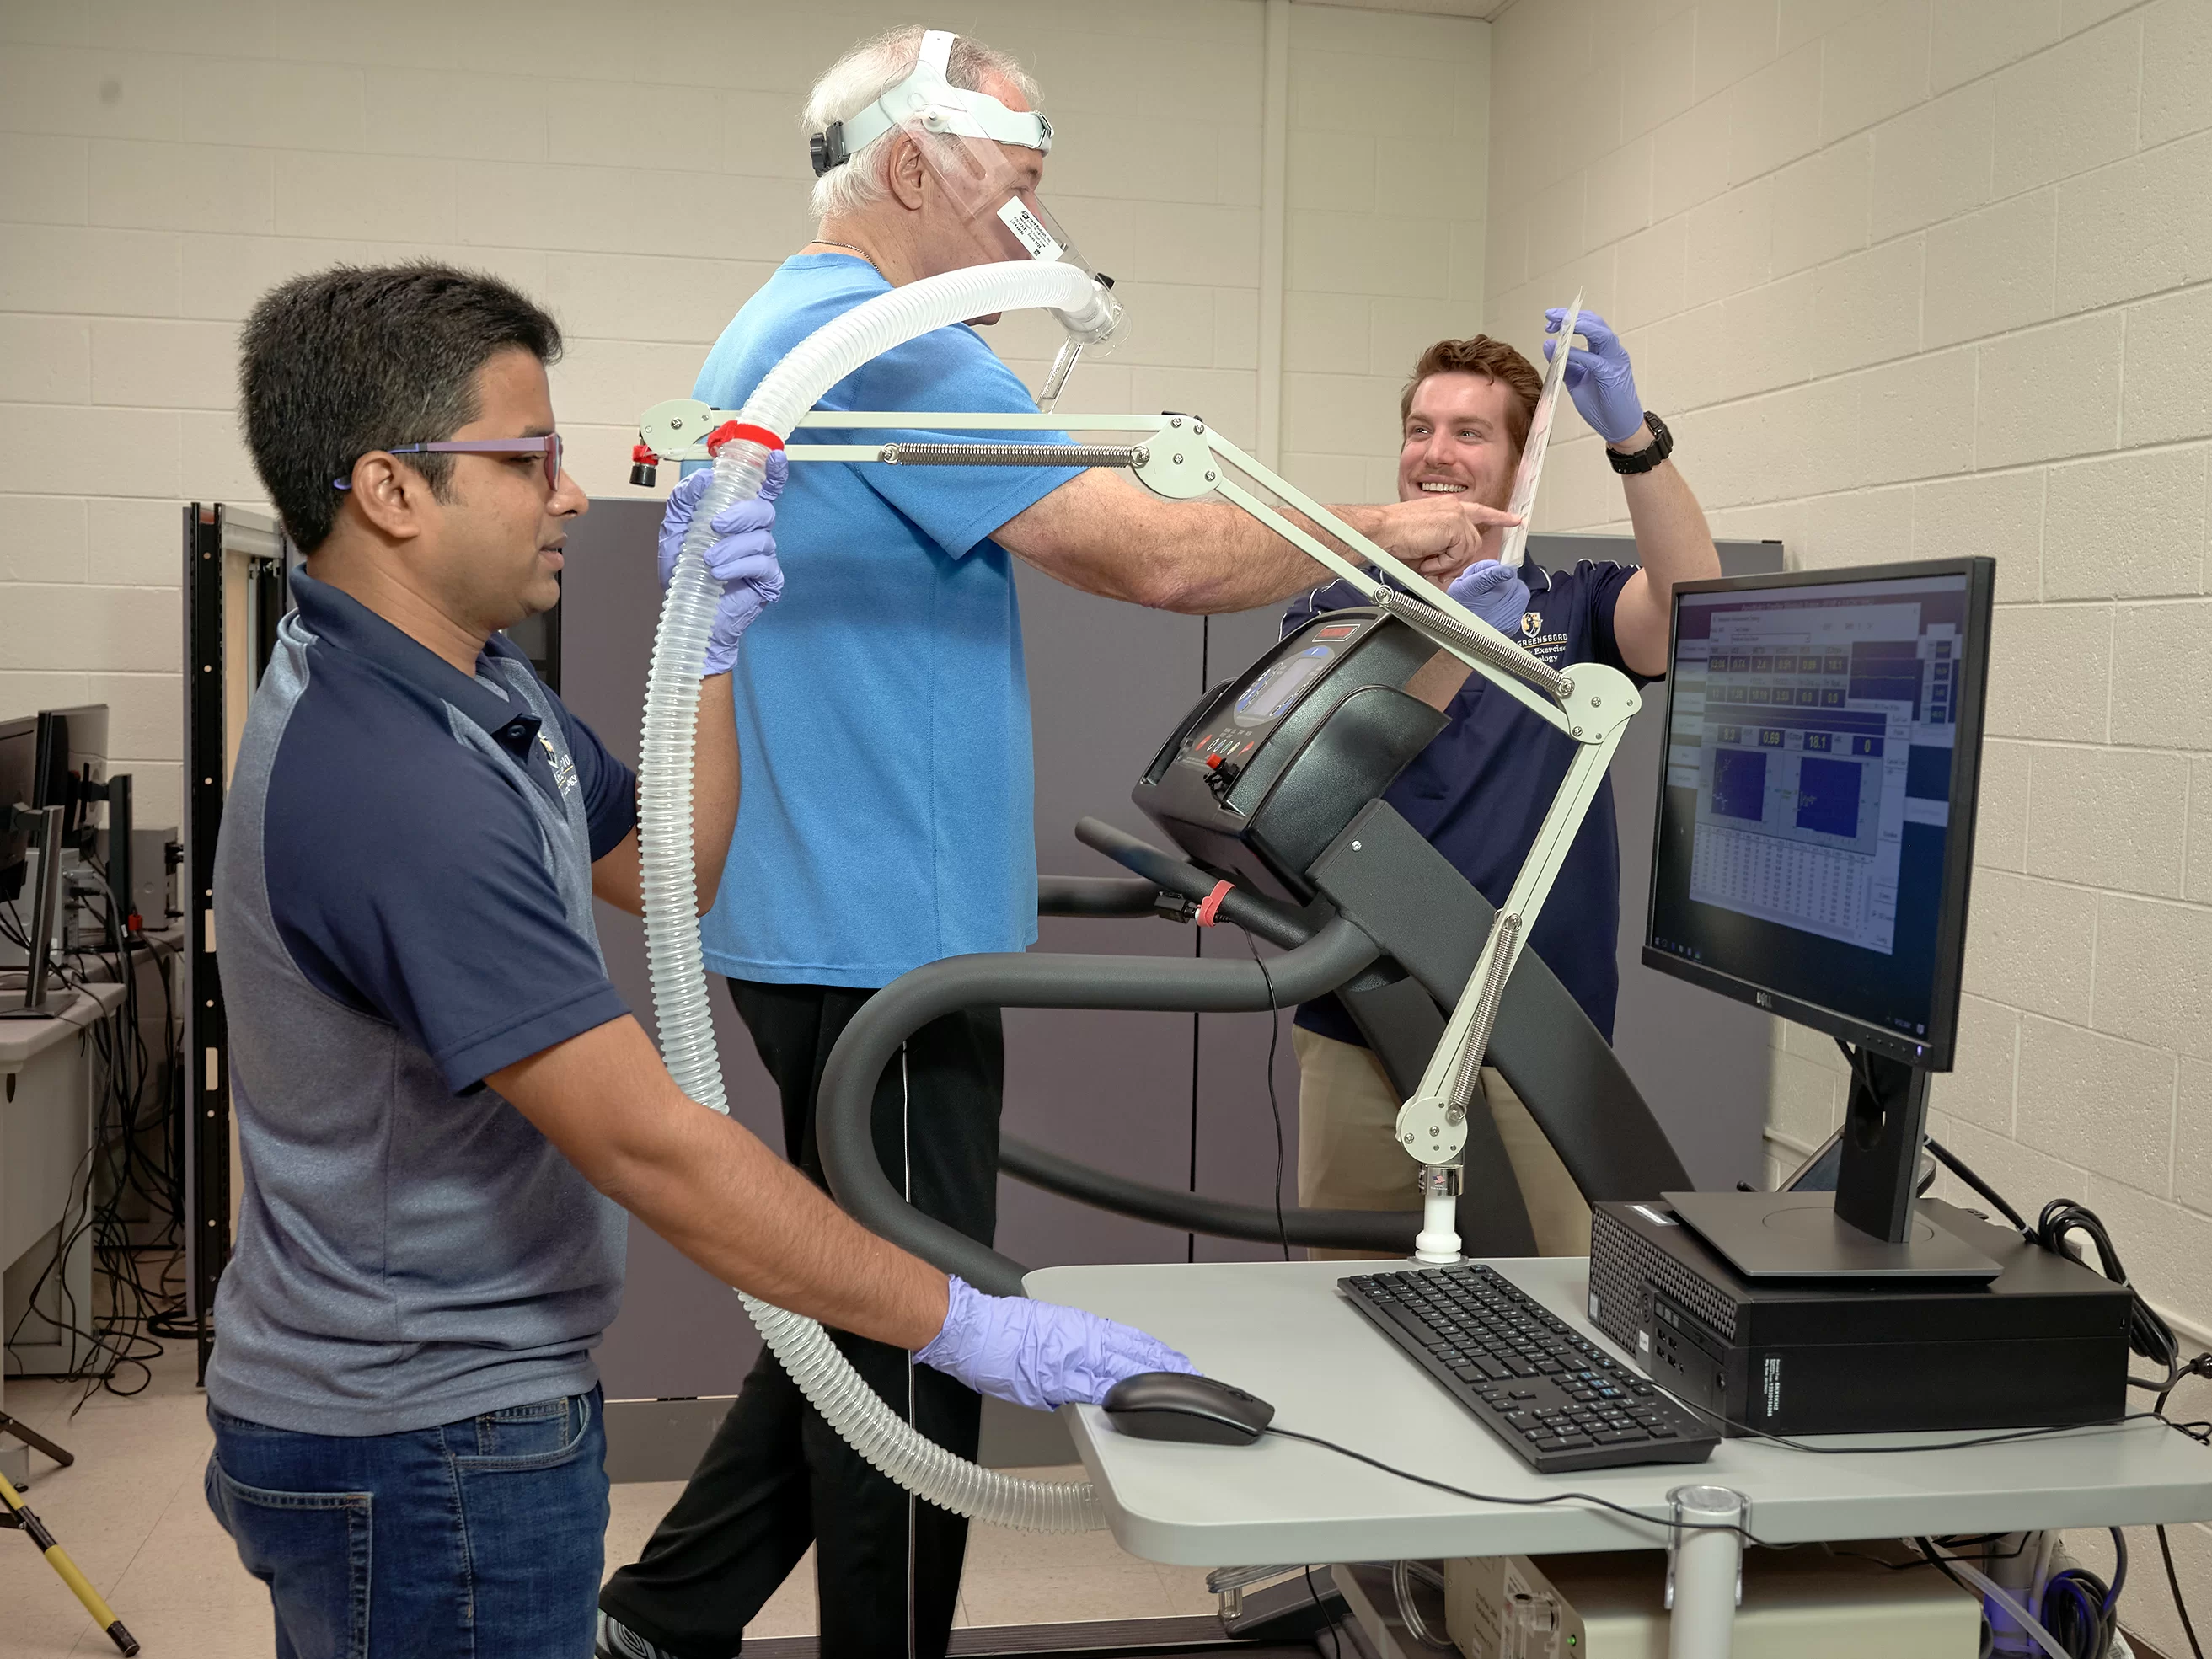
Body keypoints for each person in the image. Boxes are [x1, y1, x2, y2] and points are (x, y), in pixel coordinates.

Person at [596, 26, 1516, 1659]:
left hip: (832, 917)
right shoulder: (874, 339)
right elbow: (1150, 554)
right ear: (908, 170)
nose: (1032, 233)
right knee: (910, 1342)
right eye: (1015, 190)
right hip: (878, 935)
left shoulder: (788, 321)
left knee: (853, 1295)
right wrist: (1393, 534)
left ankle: (663, 1619)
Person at [204, 263, 1194, 1659]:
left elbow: (669, 863)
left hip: (466, 1389)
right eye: (529, 455)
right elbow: (656, 1145)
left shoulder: (478, 681)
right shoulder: (394, 785)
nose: (567, 490)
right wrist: (967, 1324)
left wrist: (711, 646)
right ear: (392, 489)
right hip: (419, 1431)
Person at [1283, 323, 1722, 1260]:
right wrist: (1448, 638)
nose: (1435, 453)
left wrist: (1633, 441)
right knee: (1343, 1303)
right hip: (1363, 1016)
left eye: (1470, 433)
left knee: (1547, 1307)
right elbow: (1329, 762)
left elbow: (1695, 612)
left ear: (1522, 467)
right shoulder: (1333, 607)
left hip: (1540, 1032)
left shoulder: (1571, 607)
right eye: (1420, 427)